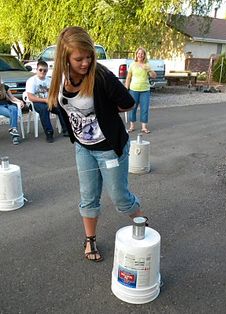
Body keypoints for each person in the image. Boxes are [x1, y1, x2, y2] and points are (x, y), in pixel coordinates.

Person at [48, 26, 146, 262]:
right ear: (65, 58)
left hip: (109, 148)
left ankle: (144, 226)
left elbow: (128, 103)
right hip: (83, 148)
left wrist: (104, 110)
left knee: (120, 198)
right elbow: (61, 106)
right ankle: (90, 239)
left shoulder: (100, 76)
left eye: (89, 56)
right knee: (88, 196)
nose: (85, 62)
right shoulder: (60, 77)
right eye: (79, 58)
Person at [26, 60, 68, 143]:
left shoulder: (49, 80)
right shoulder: (31, 81)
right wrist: (45, 100)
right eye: (40, 70)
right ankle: (49, 133)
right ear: (37, 70)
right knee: (44, 109)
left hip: (49, 101)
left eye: (45, 70)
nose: (43, 72)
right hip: (36, 102)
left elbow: (54, 93)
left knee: (61, 107)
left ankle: (66, 130)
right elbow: (30, 97)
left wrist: (54, 100)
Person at [125, 47, 157, 134]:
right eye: (138, 53)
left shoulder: (147, 64)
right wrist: (126, 88)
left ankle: (144, 127)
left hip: (145, 90)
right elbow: (128, 77)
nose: (140, 55)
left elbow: (154, 76)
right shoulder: (132, 64)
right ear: (136, 55)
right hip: (133, 89)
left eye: (142, 53)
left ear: (144, 55)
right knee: (133, 107)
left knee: (144, 108)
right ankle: (132, 126)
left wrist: (148, 69)